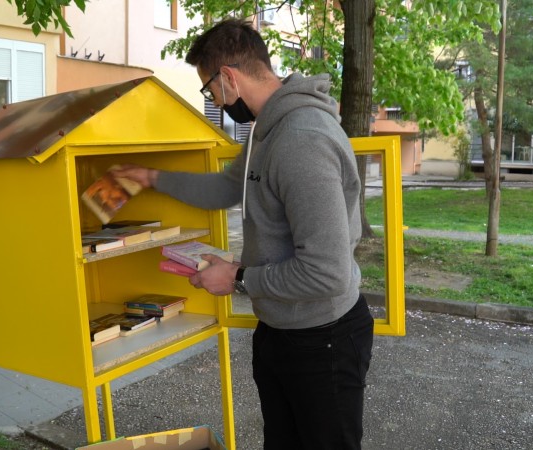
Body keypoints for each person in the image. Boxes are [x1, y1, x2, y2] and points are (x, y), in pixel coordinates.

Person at [113, 18, 374, 450]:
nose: (215, 101)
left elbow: (327, 273)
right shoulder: (265, 132)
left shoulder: (301, 140)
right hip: (279, 328)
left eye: (211, 91)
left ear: (229, 77)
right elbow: (224, 188)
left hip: (322, 337)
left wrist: (236, 277)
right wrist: (149, 176)